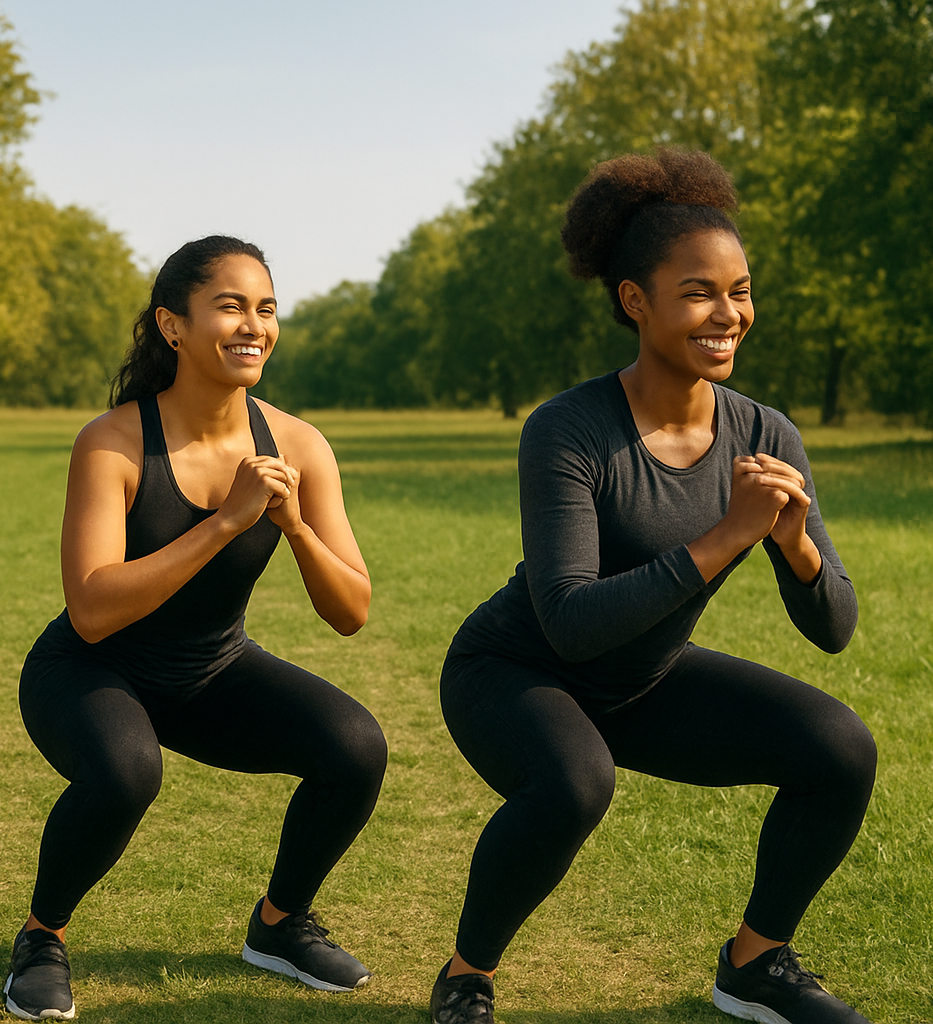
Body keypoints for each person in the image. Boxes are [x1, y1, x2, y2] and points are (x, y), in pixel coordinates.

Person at [429, 150, 876, 1024]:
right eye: (699, 291)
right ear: (635, 300)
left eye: (739, 290)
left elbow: (834, 628)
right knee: (573, 782)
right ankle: (466, 975)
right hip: (517, 672)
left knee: (838, 748)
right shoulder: (568, 428)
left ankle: (754, 964)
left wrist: (792, 545)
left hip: (645, 677)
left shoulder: (764, 432)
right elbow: (568, 623)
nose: (728, 313)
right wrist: (725, 536)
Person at [5, 236, 388, 1021]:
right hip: (87, 671)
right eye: (231, 306)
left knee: (355, 746)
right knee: (125, 770)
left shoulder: (300, 445)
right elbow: (94, 607)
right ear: (172, 327)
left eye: (267, 308)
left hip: (210, 672)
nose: (254, 325)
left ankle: (279, 927)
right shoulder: (112, 442)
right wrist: (224, 523)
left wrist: (294, 525)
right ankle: (42, 937)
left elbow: (350, 612)